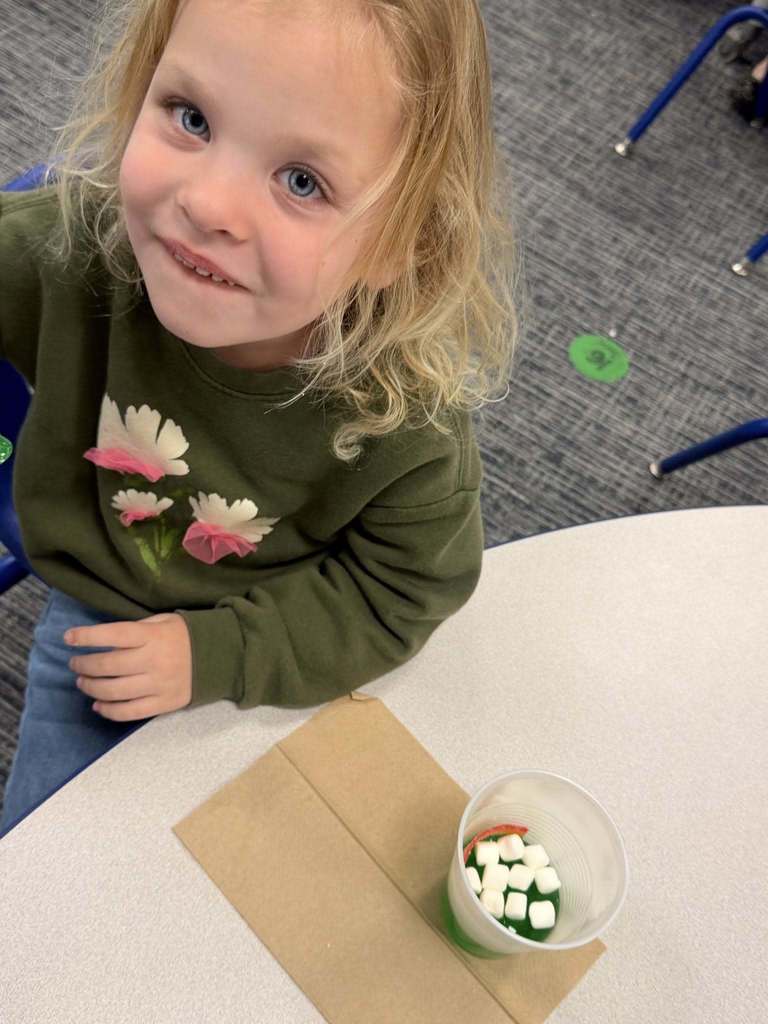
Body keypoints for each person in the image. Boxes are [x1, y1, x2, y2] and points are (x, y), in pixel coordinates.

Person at [0, 0, 521, 837]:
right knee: (44, 875)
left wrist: (220, 656)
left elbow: (403, 592)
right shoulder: (71, 251)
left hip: (290, 644)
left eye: (302, 180)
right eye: (191, 117)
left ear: (400, 241)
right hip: (108, 604)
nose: (209, 205)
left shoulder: (400, 421)